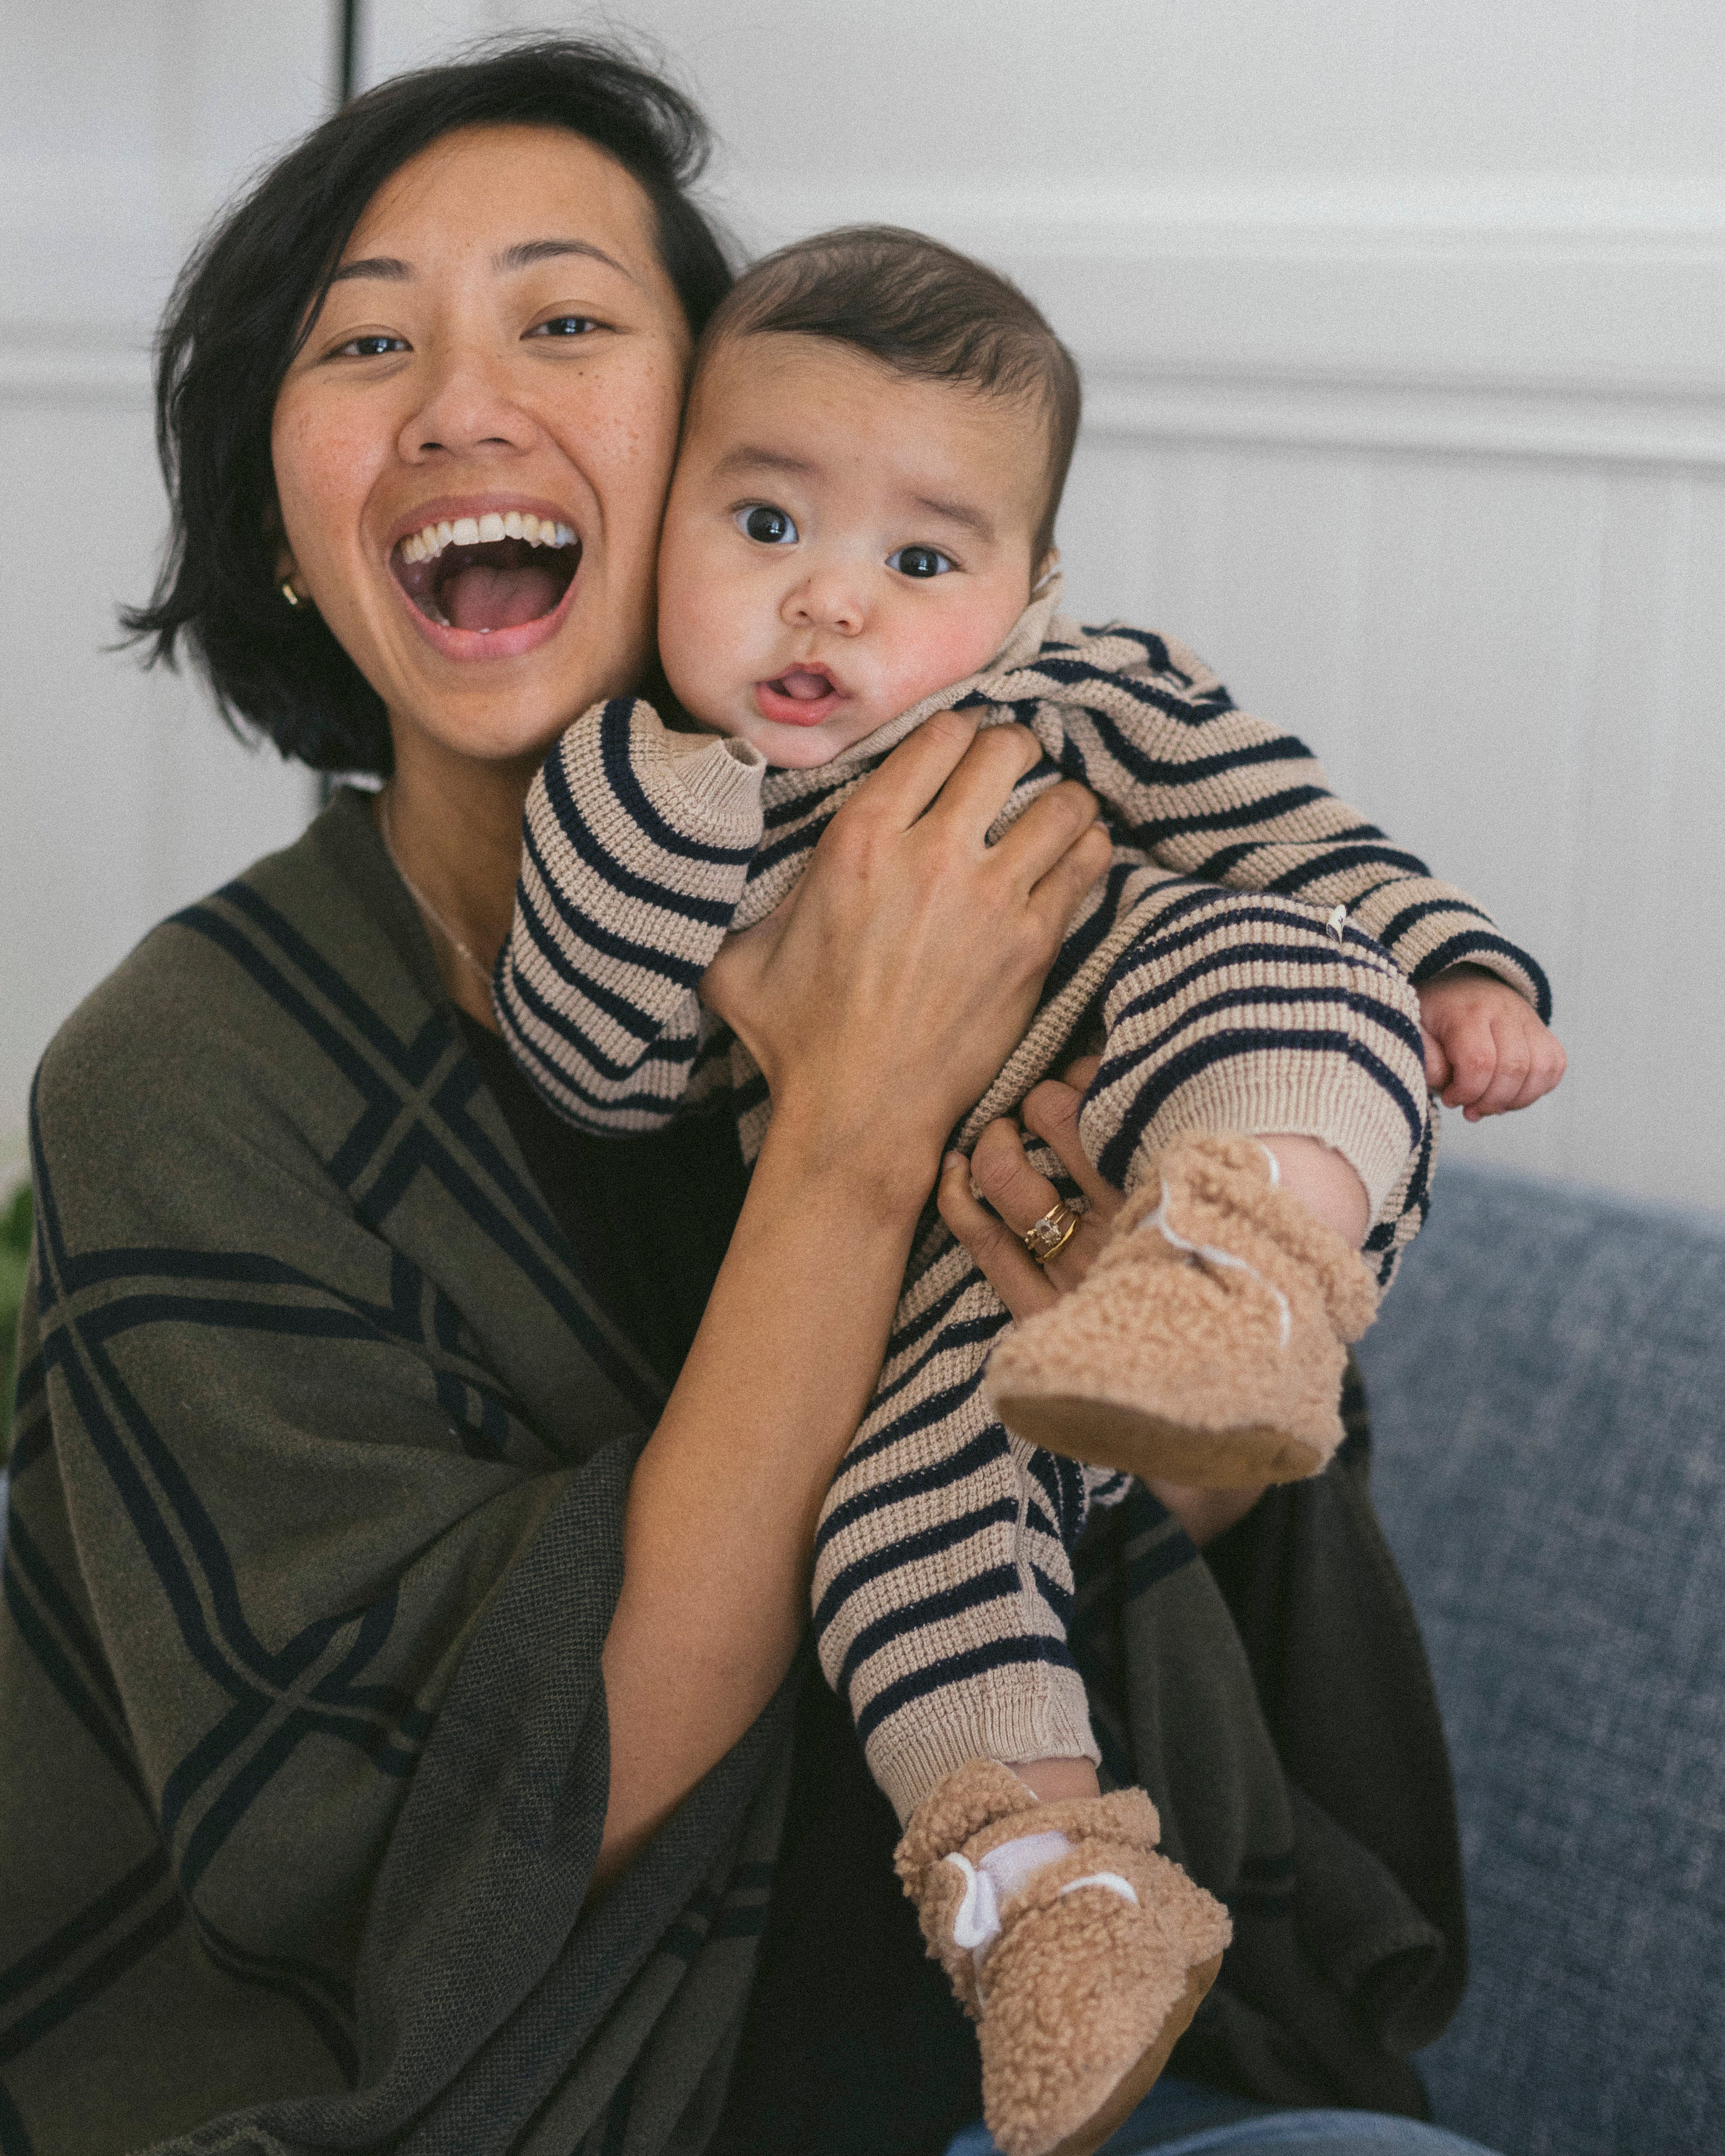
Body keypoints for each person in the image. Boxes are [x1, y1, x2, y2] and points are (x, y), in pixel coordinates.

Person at [0, 37, 1505, 2156]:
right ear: (274, 527)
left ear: (716, 433)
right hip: (567, 2098)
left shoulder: (998, 828)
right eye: (364, 342)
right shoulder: (179, 1072)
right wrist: (855, 1127)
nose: (461, 404)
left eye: (565, 321)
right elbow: (475, 1831)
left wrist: (1121, 1362)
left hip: (1033, 2017)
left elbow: (1214, 1519)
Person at [489, 226, 1563, 2156]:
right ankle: (1054, 1901)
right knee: (890, 1540)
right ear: (659, 535)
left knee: (1297, 974)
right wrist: (671, 798)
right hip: (933, 1288)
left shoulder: (1079, 692)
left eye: (922, 559)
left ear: (1026, 589)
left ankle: (1240, 1288)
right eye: (761, 524)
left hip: (1164, 1111)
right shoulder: (630, 789)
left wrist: (1457, 961)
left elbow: (1292, 830)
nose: (829, 598)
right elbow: (593, 1059)